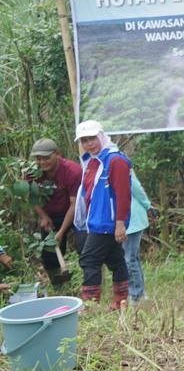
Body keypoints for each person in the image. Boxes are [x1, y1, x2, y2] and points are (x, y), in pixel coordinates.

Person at [66, 120, 133, 310]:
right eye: (84, 140)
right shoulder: (94, 160)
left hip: (107, 222)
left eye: (92, 138)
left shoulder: (115, 160)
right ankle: (121, 302)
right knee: (115, 259)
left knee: (89, 259)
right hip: (96, 220)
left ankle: (90, 305)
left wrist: (120, 223)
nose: (89, 144)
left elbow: (123, 194)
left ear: (101, 136)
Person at [26, 138, 79, 285]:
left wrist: (61, 232)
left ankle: (91, 287)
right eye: (38, 158)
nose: (42, 162)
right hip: (50, 215)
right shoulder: (31, 173)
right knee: (49, 254)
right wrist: (43, 216)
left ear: (57, 154)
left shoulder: (72, 171)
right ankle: (59, 287)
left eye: (47, 158)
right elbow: (31, 196)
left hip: (75, 214)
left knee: (86, 247)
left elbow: (75, 204)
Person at [122, 170, 153, 303]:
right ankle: (138, 292)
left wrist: (147, 205)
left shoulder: (121, 164)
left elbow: (136, 187)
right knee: (132, 257)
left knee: (129, 259)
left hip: (132, 219)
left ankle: (136, 295)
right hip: (124, 220)